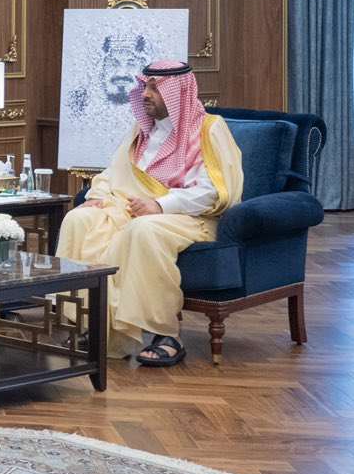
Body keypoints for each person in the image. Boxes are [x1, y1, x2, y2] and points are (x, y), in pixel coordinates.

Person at [57, 61, 242, 366]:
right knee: (78, 219)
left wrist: (161, 205)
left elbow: (215, 191)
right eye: (145, 86)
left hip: (190, 218)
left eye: (155, 88)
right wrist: (98, 196)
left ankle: (167, 333)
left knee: (143, 230)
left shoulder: (209, 129)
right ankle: (90, 324)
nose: (145, 94)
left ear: (177, 92)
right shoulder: (143, 130)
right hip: (129, 210)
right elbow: (113, 172)